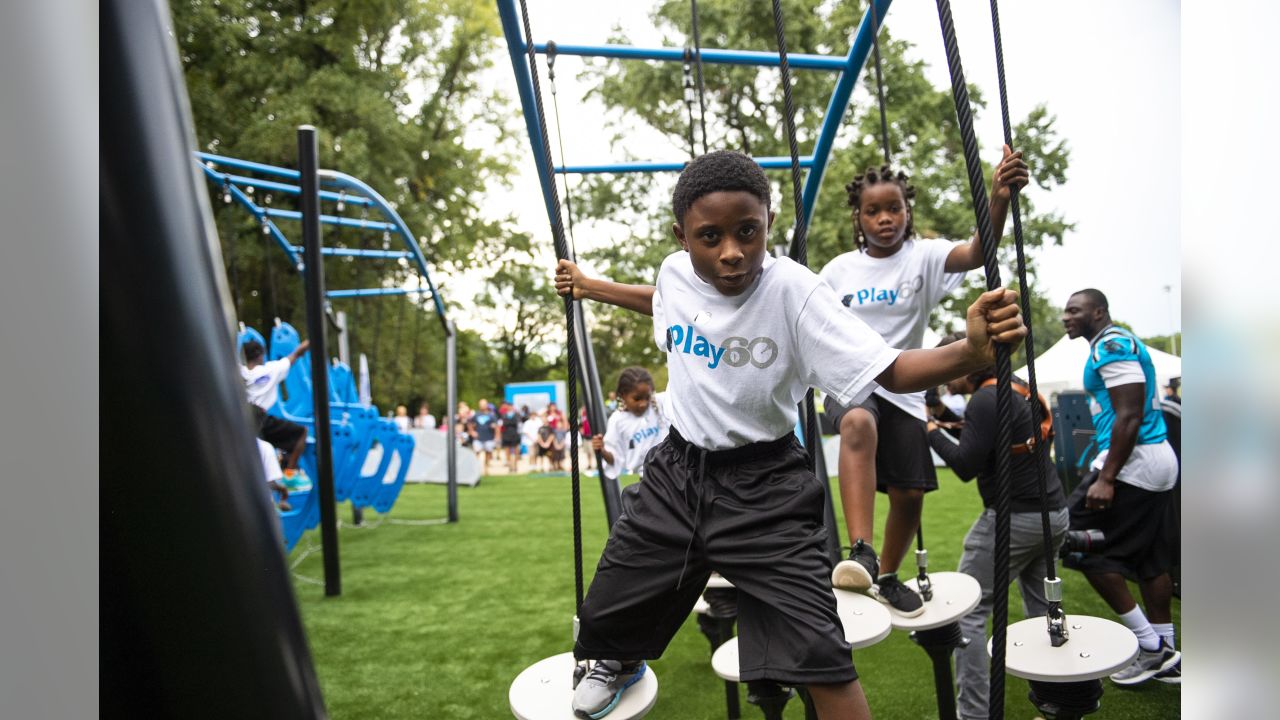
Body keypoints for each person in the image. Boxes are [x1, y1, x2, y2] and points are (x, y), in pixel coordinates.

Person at [554, 150, 1027, 719]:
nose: (732, 252)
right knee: (607, 613)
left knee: (821, 654)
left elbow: (892, 371)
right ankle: (619, 658)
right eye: (710, 237)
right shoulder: (673, 275)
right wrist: (590, 286)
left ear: (769, 224)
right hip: (675, 474)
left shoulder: (794, 292)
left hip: (765, 487)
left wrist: (971, 352)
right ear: (682, 238)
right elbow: (661, 302)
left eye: (747, 231)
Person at [817, 149, 1028, 617]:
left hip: (906, 386)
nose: (885, 218)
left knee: (910, 494)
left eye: (894, 208)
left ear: (907, 211)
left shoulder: (924, 258)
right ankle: (861, 552)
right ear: (859, 217)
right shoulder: (838, 272)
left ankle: (886, 575)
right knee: (857, 423)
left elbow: (978, 250)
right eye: (873, 210)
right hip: (849, 379)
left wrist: (998, 198)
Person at [926, 332, 1067, 720]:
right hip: (1051, 514)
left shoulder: (985, 398)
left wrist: (931, 431)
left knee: (968, 610)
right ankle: (1057, 704)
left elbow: (966, 463)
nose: (944, 374)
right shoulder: (1013, 386)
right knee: (1043, 610)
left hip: (1014, 518)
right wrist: (940, 414)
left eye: (950, 362)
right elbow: (983, 435)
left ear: (966, 362)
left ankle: (974, 714)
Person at [1061, 289, 1181, 685]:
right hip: (1151, 458)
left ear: (1099, 312)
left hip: (1135, 462)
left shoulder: (1112, 344)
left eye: (1074, 310)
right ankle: (1167, 651)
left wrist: (1107, 477)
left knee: (1080, 546)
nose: (1066, 317)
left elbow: (1128, 415)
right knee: (1150, 560)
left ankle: (1149, 646)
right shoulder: (1108, 344)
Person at [240, 338, 311, 491]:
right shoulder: (271, 370)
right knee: (301, 434)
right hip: (261, 419)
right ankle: (290, 474)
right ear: (261, 356)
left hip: (242, 422)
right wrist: (311, 341)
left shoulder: (240, 373)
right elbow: (296, 354)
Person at [593, 367, 670, 479]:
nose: (643, 403)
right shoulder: (617, 420)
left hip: (675, 473)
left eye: (647, 397)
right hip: (649, 480)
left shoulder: (660, 404)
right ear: (623, 395)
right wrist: (602, 450)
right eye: (637, 399)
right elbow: (614, 459)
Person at [470, 399, 498, 472]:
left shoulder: (491, 415)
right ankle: (475, 469)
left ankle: (486, 469)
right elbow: (470, 424)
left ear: (486, 405)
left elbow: (497, 426)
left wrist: (497, 435)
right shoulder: (476, 414)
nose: (482, 406)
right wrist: (472, 431)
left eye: (483, 404)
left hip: (489, 437)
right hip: (478, 438)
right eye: (481, 404)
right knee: (476, 452)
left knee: (488, 453)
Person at [499, 402, 523, 473]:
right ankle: (510, 466)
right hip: (506, 435)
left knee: (516, 451)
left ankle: (515, 466)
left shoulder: (517, 415)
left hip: (515, 435)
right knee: (507, 452)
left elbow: (519, 425)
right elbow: (501, 426)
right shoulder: (504, 415)